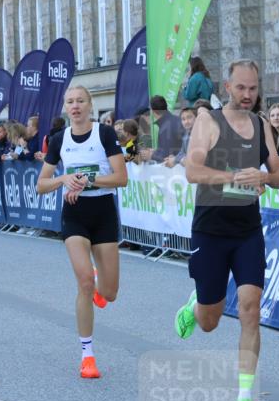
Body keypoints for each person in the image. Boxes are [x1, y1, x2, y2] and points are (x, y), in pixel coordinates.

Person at [174, 59, 279, 401]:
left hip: (247, 231)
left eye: (253, 88)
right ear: (227, 86)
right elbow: (192, 171)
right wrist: (234, 176)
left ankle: (244, 400)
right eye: (241, 88)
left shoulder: (261, 125)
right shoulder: (209, 121)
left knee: (250, 308)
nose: (248, 95)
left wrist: (263, 178)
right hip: (210, 229)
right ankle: (194, 308)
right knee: (210, 320)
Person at [36, 85, 128, 379]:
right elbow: (41, 185)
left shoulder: (104, 134)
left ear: (90, 105)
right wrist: (64, 179)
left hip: (102, 214)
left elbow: (121, 178)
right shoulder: (60, 139)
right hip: (74, 215)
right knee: (84, 283)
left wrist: (87, 182)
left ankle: (101, 283)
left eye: (80, 101)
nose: (75, 106)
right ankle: (87, 356)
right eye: (70, 102)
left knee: (109, 293)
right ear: (65, 107)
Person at [143, 95, 184, 162]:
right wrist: (156, 151)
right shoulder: (176, 120)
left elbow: (166, 156)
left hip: (176, 169)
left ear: (153, 111)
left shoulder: (166, 126)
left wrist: (151, 155)